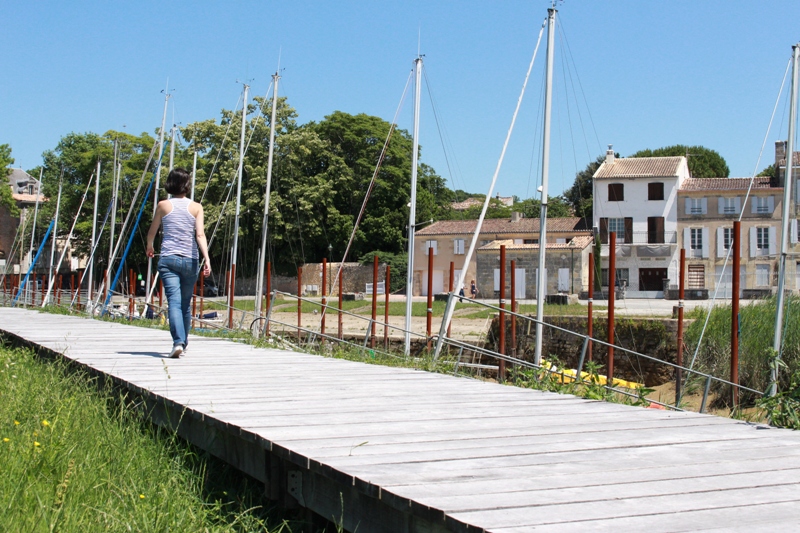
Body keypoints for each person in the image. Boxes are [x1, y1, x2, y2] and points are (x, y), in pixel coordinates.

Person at [146, 168, 211, 358]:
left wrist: (150, 246)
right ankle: (183, 341)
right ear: (187, 185)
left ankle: (178, 342)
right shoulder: (197, 207)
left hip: (168, 259)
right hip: (190, 260)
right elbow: (200, 234)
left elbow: (152, 231)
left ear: (170, 184)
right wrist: (206, 258)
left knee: (173, 302)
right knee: (185, 303)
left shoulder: (163, 205)